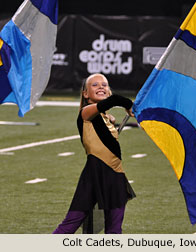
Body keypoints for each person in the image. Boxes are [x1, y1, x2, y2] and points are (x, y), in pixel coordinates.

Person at [53, 73, 136, 234]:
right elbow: (115, 100)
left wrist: (111, 118)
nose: (101, 87)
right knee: (70, 224)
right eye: (95, 85)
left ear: (109, 90)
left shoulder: (106, 117)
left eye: (104, 85)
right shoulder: (85, 113)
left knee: (114, 228)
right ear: (85, 94)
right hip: (94, 174)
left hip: (115, 174)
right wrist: (128, 104)